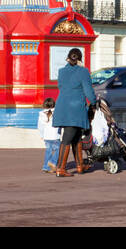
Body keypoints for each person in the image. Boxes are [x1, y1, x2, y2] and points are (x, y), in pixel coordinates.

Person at [53, 47, 97, 177]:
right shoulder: (83, 71)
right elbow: (88, 90)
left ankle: (80, 166)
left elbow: (61, 86)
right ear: (80, 59)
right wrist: (94, 102)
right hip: (75, 109)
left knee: (77, 136)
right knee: (67, 137)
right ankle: (60, 168)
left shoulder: (61, 71)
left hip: (62, 106)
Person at [37, 97, 61, 174]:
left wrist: (42, 135)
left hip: (46, 136)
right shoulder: (57, 113)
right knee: (59, 149)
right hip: (55, 135)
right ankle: (52, 162)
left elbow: (40, 126)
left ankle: (45, 167)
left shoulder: (41, 114)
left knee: (48, 151)